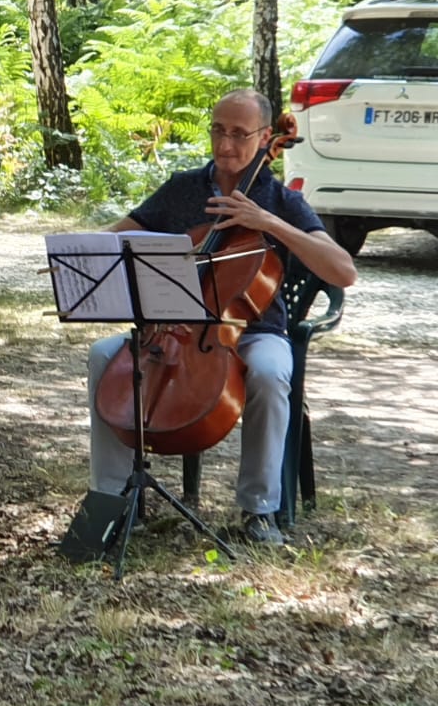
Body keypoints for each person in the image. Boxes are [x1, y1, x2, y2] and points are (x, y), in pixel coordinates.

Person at [85, 89, 358, 545]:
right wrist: (88, 248)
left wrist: (269, 223)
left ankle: (259, 509)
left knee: (270, 373)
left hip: (254, 331)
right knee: (103, 356)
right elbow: (115, 241)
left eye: (239, 134)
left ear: (266, 137)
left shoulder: (280, 200)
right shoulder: (183, 188)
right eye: (217, 130)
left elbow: (343, 272)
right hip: (172, 330)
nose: (225, 144)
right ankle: (111, 500)